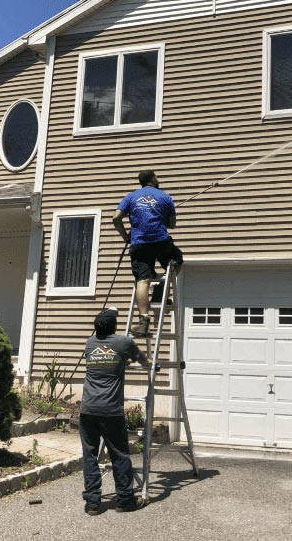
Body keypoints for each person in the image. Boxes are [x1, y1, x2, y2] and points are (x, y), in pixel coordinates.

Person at [79, 307, 149, 515]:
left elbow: (108, 359)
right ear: (114, 326)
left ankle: (92, 503)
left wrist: (120, 361)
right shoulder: (124, 342)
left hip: (88, 410)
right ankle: (125, 500)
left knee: (90, 456)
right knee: (119, 455)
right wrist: (151, 363)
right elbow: (143, 361)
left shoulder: (90, 343)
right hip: (111, 412)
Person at [113, 169, 183, 337]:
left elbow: (116, 218)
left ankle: (143, 322)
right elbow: (172, 224)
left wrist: (125, 237)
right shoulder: (165, 197)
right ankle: (160, 291)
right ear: (153, 179)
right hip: (160, 242)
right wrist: (163, 217)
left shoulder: (130, 197)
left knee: (142, 280)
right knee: (177, 262)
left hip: (139, 244)